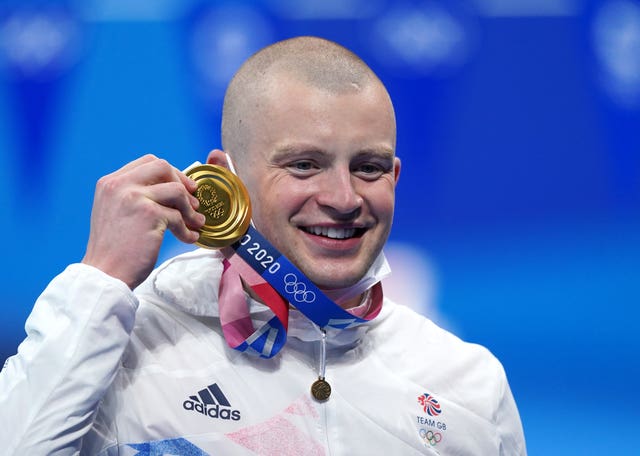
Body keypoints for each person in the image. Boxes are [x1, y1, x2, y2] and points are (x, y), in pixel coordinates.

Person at [0, 36, 526, 455]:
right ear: (224, 180)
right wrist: (101, 279)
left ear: (395, 176)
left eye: (367, 168)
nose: (343, 198)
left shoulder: (467, 383)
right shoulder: (125, 347)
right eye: (303, 165)